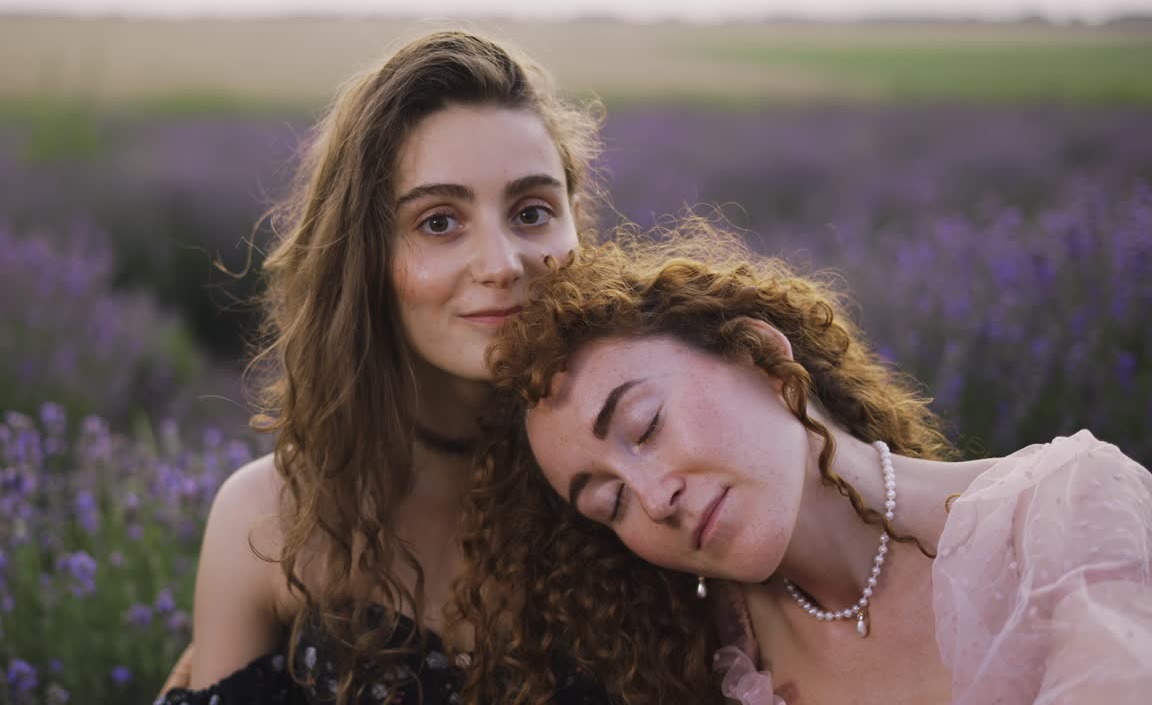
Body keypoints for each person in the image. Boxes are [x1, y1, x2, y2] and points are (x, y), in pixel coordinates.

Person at [156, 31, 716, 705]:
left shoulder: (651, 479)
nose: (503, 263)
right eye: (439, 222)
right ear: (363, 259)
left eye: (532, 212)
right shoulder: (269, 521)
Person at [472, 222, 1152, 704]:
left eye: (645, 426)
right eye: (608, 504)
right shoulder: (707, 659)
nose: (653, 499)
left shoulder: (1065, 515)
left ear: (761, 356)